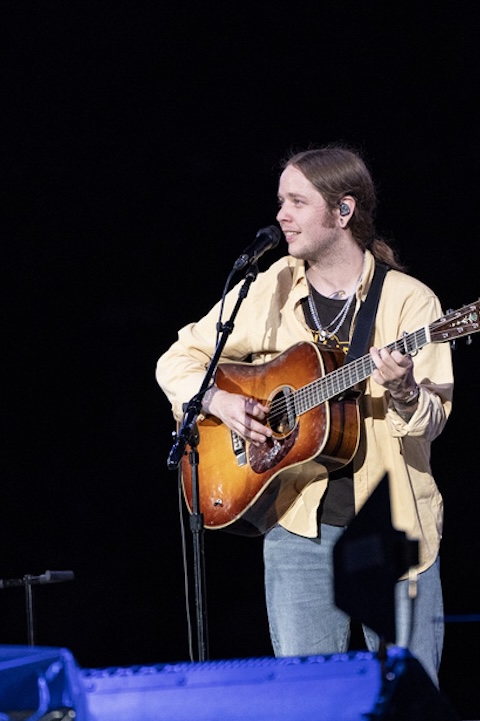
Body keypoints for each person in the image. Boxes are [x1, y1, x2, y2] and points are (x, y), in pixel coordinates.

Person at [155, 145, 453, 684]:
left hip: (393, 529)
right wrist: (219, 400)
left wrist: (405, 388)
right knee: (311, 703)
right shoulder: (270, 287)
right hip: (297, 523)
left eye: (297, 201)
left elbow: (433, 418)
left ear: (343, 212)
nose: (281, 215)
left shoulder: (411, 302)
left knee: (411, 706)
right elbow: (178, 359)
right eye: (280, 201)